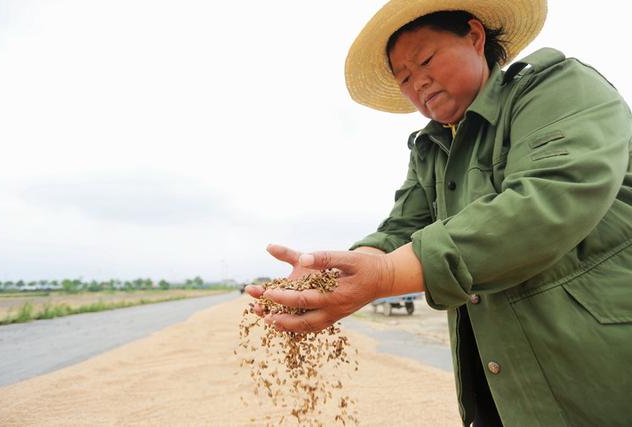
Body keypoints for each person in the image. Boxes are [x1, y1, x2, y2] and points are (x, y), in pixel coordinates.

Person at [247, 0, 632, 425]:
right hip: (500, 385)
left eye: (425, 60)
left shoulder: (557, 89)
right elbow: (401, 230)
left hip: (601, 372)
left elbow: (548, 201)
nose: (418, 84)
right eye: (405, 78)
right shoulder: (430, 149)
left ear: (474, 35)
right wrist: (337, 275)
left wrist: (388, 276)